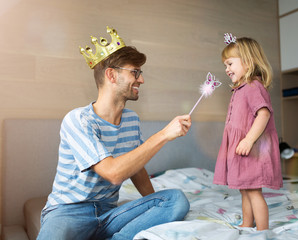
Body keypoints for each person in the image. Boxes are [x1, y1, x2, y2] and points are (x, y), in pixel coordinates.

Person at [37, 26, 191, 240]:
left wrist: (152, 205)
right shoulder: (78, 120)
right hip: (68, 213)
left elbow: (136, 170)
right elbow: (114, 173)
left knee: (175, 200)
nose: (141, 80)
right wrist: (163, 134)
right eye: (134, 72)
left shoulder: (131, 120)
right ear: (111, 74)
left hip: (109, 213)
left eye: (141, 73)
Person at [213, 34, 282, 231]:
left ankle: (262, 230)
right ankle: (247, 222)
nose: (226, 69)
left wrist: (248, 140)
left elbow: (263, 114)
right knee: (245, 190)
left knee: (253, 192)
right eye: (225, 65)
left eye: (230, 64)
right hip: (244, 150)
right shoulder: (240, 89)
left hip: (253, 149)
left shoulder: (253, 87)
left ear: (248, 62)